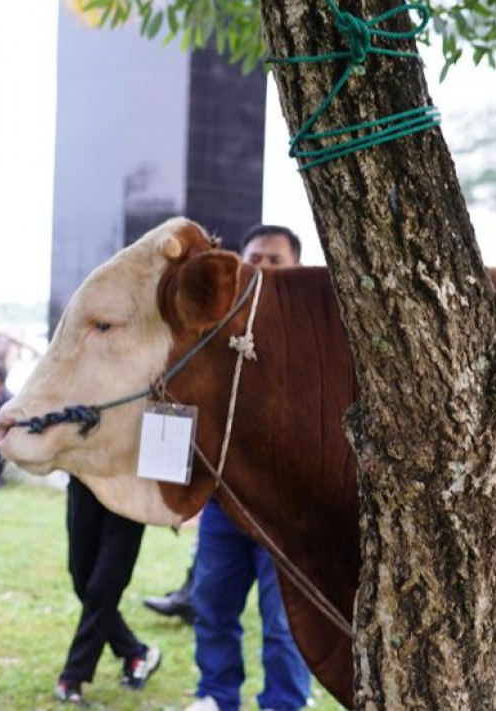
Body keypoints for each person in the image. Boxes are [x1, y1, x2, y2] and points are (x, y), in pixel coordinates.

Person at [182, 224, 312, 711]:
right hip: (225, 503)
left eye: (274, 260)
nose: (261, 268)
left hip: (288, 514)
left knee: (284, 622)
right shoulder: (217, 333)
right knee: (212, 607)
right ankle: (215, 696)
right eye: (253, 257)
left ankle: (284, 703)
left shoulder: (312, 337)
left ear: (297, 267)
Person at [54, 478, 161, 706]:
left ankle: (72, 676)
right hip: (84, 476)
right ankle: (135, 652)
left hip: (131, 487)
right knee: (81, 580)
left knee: (104, 585)